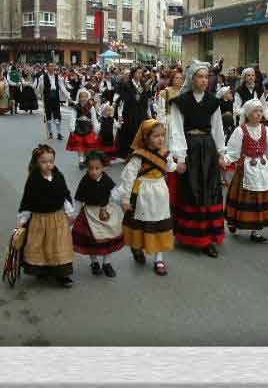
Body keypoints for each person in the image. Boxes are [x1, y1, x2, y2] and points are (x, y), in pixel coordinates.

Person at [169, 60, 226, 258]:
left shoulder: (213, 102)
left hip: (208, 149)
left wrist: (221, 153)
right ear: (192, 79)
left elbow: (218, 128)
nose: (204, 80)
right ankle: (189, 235)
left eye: (206, 76)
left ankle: (208, 238)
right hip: (191, 149)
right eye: (200, 76)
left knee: (210, 191)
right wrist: (180, 157)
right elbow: (176, 130)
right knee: (192, 190)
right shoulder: (181, 101)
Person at [114, 119, 176, 275]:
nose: (161, 139)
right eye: (156, 136)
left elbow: (170, 167)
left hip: (160, 192)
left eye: (162, 135)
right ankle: (137, 247)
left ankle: (159, 258)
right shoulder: (138, 157)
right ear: (146, 137)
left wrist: (178, 165)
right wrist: (125, 199)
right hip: (142, 194)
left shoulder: (165, 153)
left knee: (161, 223)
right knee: (141, 224)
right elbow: (128, 178)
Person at [15, 144, 76, 288]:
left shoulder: (58, 175)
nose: (48, 165)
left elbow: (64, 193)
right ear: (37, 162)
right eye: (44, 162)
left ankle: (62, 274)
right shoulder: (33, 179)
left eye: (51, 161)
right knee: (41, 245)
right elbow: (28, 199)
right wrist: (22, 219)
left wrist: (69, 211)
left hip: (57, 218)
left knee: (58, 245)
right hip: (40, 219)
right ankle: (42, 270)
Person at [224, 99, 268, 243]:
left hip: (262, 167)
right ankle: (234, 221)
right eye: (255, 111)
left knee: (261, 196)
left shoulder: (266, 130)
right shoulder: (240, 130)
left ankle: (256, 230)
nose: (259, 114)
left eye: (261, 111)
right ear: (248, 114)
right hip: (246, 168)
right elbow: (233, 151)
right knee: (245, 197)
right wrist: (226, 160)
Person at [71, 151, 124, 278]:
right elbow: (79, 199)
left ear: (103, 167)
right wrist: (73, 215)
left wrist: (124, 203)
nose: (94, 171)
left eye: (97, 168)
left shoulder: (106, 179)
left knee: (109, 237)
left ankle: (107, 263)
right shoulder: (85, 181)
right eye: (90, 168)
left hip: (105, 211)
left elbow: (114, 194)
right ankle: (94, 262)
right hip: (89, 213)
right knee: (91, 240)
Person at [114, 66, 150, 158]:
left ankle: (140, 152)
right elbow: (122, 100)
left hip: (140, 112)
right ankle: (129, 153)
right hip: (129, 112)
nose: (139, 74)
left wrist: (146, 112)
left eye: (141, 73)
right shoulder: (126, 84)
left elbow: (146, 99)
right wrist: (120, 114)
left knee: (140, 132)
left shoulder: (143, 84)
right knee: (130, 133)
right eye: (137, 72)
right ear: (133, 74)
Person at [66, 88, 100, 169]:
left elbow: (94, 119)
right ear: (79, 98)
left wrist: (96, 130)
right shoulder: (76, 107)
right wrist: (72, 128)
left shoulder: (91, 108)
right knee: (80, 145)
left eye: (85, 97)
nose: (83, 99)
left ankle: (85, 159)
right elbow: (73, 118)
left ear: (88, 98)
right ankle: (81, 160)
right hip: (79, 128)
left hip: (88, 128)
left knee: (88, 145)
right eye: (82, 97)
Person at [36, 63, 71, 140]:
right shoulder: (42, 77)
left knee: (57, 117)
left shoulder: (57, 77)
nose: (51, 68)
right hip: (47, 97)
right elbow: (39, 87)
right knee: (48, 116)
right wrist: (39, 94)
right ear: (47, 68)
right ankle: (50, 132)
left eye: (52, 66)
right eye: (50, 66)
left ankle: (59, 133)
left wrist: (68, 96)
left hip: (55, 96)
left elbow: (62, 87)